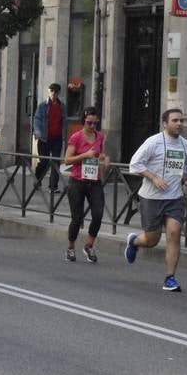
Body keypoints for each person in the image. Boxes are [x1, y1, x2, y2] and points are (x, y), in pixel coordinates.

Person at [124, 108, 187, 292]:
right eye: (175, 120)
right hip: (152, 197)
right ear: (165, 123)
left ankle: (170, 278)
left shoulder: (184, 145)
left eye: (181, 120)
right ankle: (134, 242)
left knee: (174, 233)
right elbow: (135, 163)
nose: (179, 123)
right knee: (152, 240)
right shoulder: (153, 142)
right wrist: (153, 177)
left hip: (174, 197)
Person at [63, 107, 109, 263]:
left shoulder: (100, 136)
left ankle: (89, 245)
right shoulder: (76, 137)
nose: (92, 126)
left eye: (95, 123)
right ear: (84, 121)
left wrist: (104, 158)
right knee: (77, 218)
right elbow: (67, 160)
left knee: (98, 215)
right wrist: (85, 155)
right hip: (77, 181)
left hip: (94, 182)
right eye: (89, 122)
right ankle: (70, 248)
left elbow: (100, 154)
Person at [32, 82, 65, 191]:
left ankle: (53, 186)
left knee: (56, 162)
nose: (52, 94)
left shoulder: (62, 106)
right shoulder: (43, 106)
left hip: (57, 139)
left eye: (55, 92)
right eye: (51, 91)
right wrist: (37, 131)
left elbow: (64, 121)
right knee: (44, 162)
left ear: (58, 93)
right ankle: (37, 180)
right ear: (48, 91)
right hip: (44, 139)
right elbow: (37, 119)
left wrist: (65, 135)